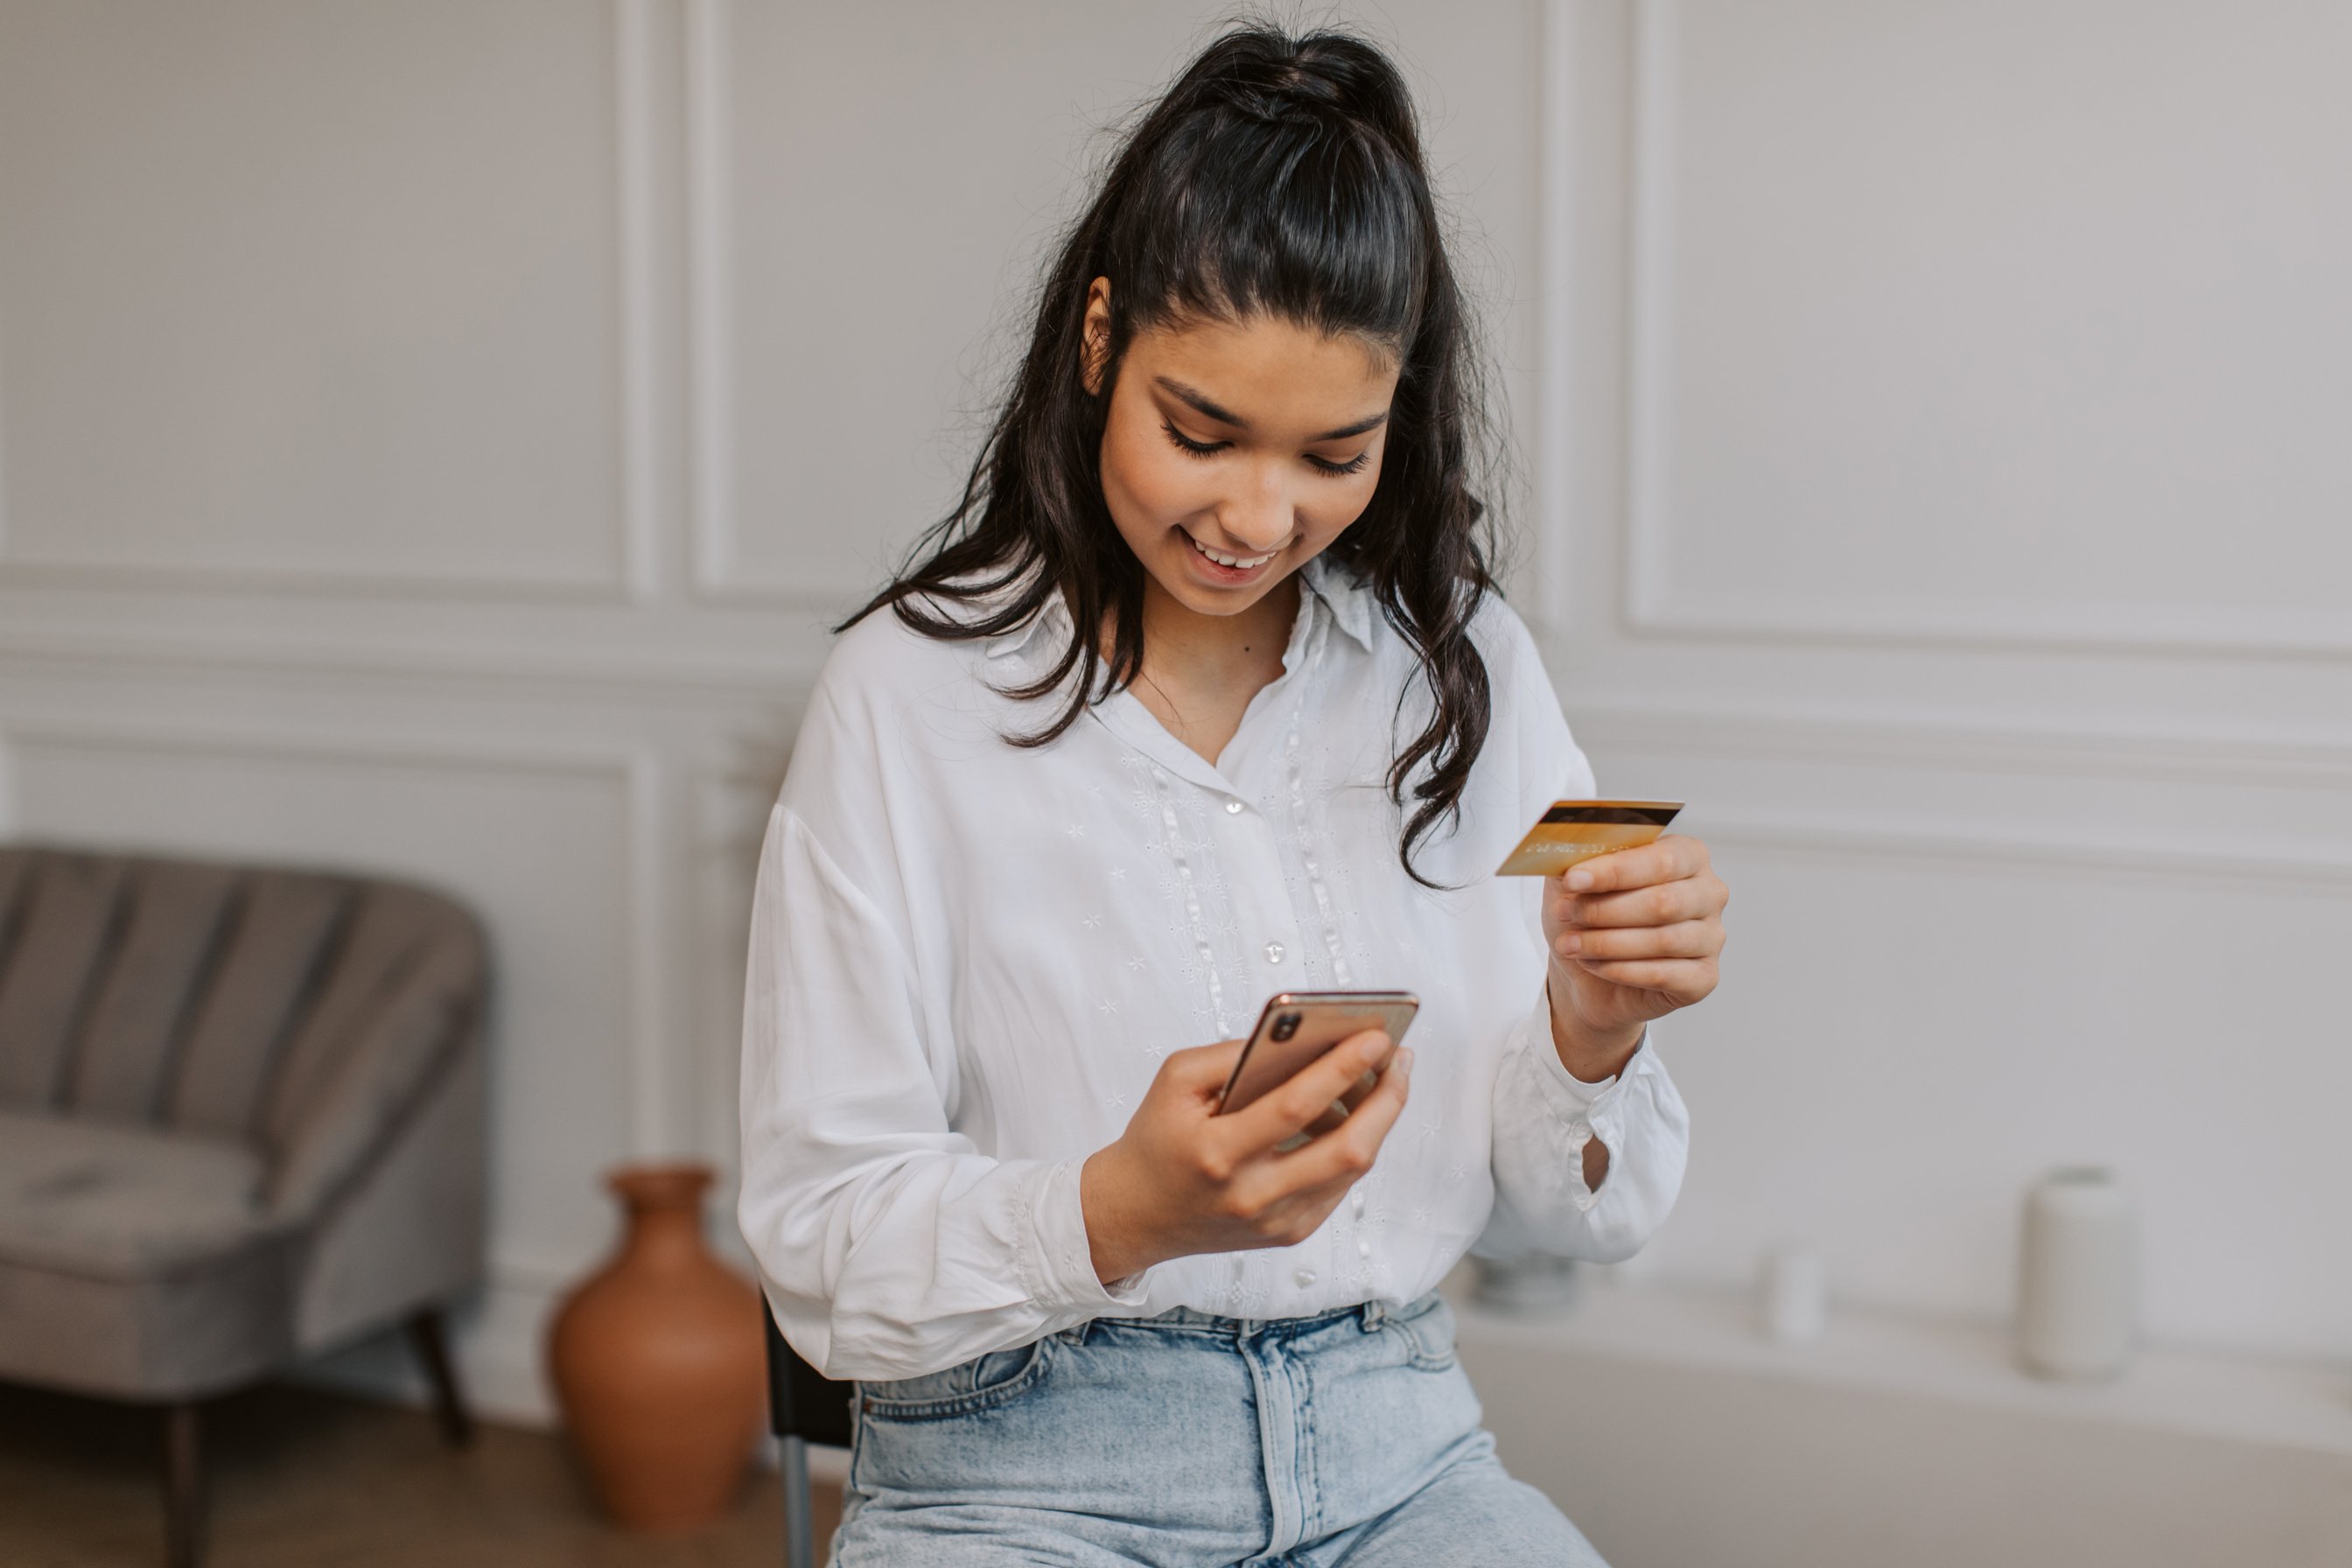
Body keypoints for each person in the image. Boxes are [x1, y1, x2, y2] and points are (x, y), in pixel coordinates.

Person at [738, 22, 1730, 1566]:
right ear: (1096, 339)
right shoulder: (905, 695)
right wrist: (1115, 1211)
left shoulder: (1466, 670)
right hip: (1021, 1483)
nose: (1258, 519)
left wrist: (1596, 1032)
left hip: (1402, 1453)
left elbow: (1584, 1216)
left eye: (1334, 455)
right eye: (1200, 432)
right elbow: (817, 1244)